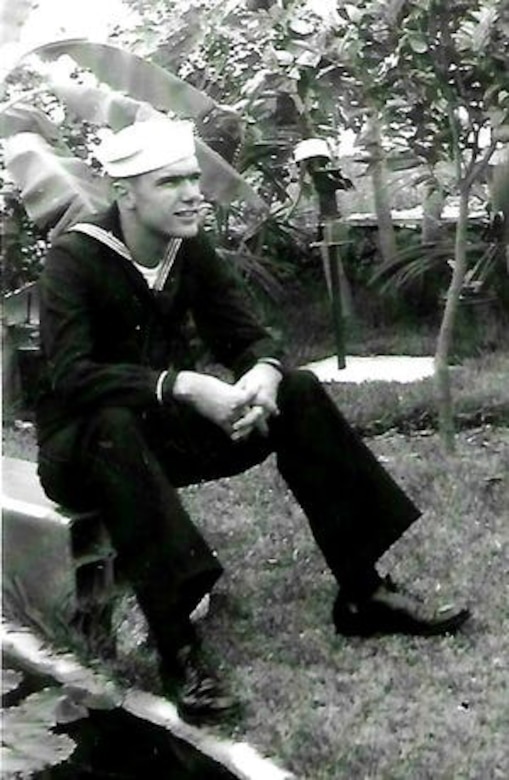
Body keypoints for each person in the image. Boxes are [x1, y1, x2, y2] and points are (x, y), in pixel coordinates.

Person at [36, 117, 469, 725]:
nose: (192, 193)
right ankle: (178, 647)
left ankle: (362, 590)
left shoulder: (189, 248)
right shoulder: (75, 258)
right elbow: (71, 375)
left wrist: (262, 372)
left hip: (163, 435)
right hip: (84, 449)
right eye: (171, 183)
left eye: (193, 178)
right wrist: (183, 385)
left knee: (299, 389)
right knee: (114, 424)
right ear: (126, 194)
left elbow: (245, 333)